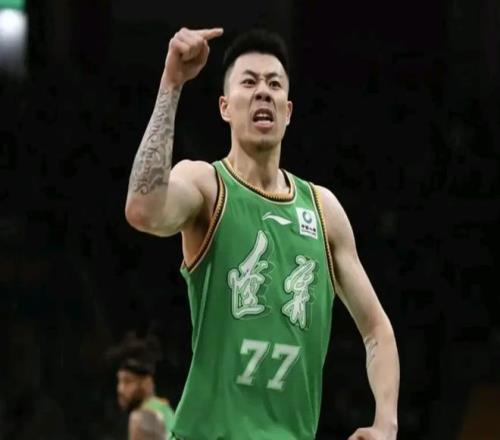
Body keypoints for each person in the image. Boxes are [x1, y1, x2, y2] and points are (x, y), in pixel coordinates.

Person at [125, 27, 400, 440]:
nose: (263, 93)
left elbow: (377, 330)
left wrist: (386, 425)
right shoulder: (207, 185)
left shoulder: (323, 209)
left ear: (288, 111)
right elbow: (143, 211)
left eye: (274, 84)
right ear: (224, 107)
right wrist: (171, 84)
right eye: (249, 82)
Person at [106, 332, 175, 440]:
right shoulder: (165, 409)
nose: (120, 389)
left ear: (147, 382)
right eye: (119, 381)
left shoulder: (139, 417)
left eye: (128, 381)